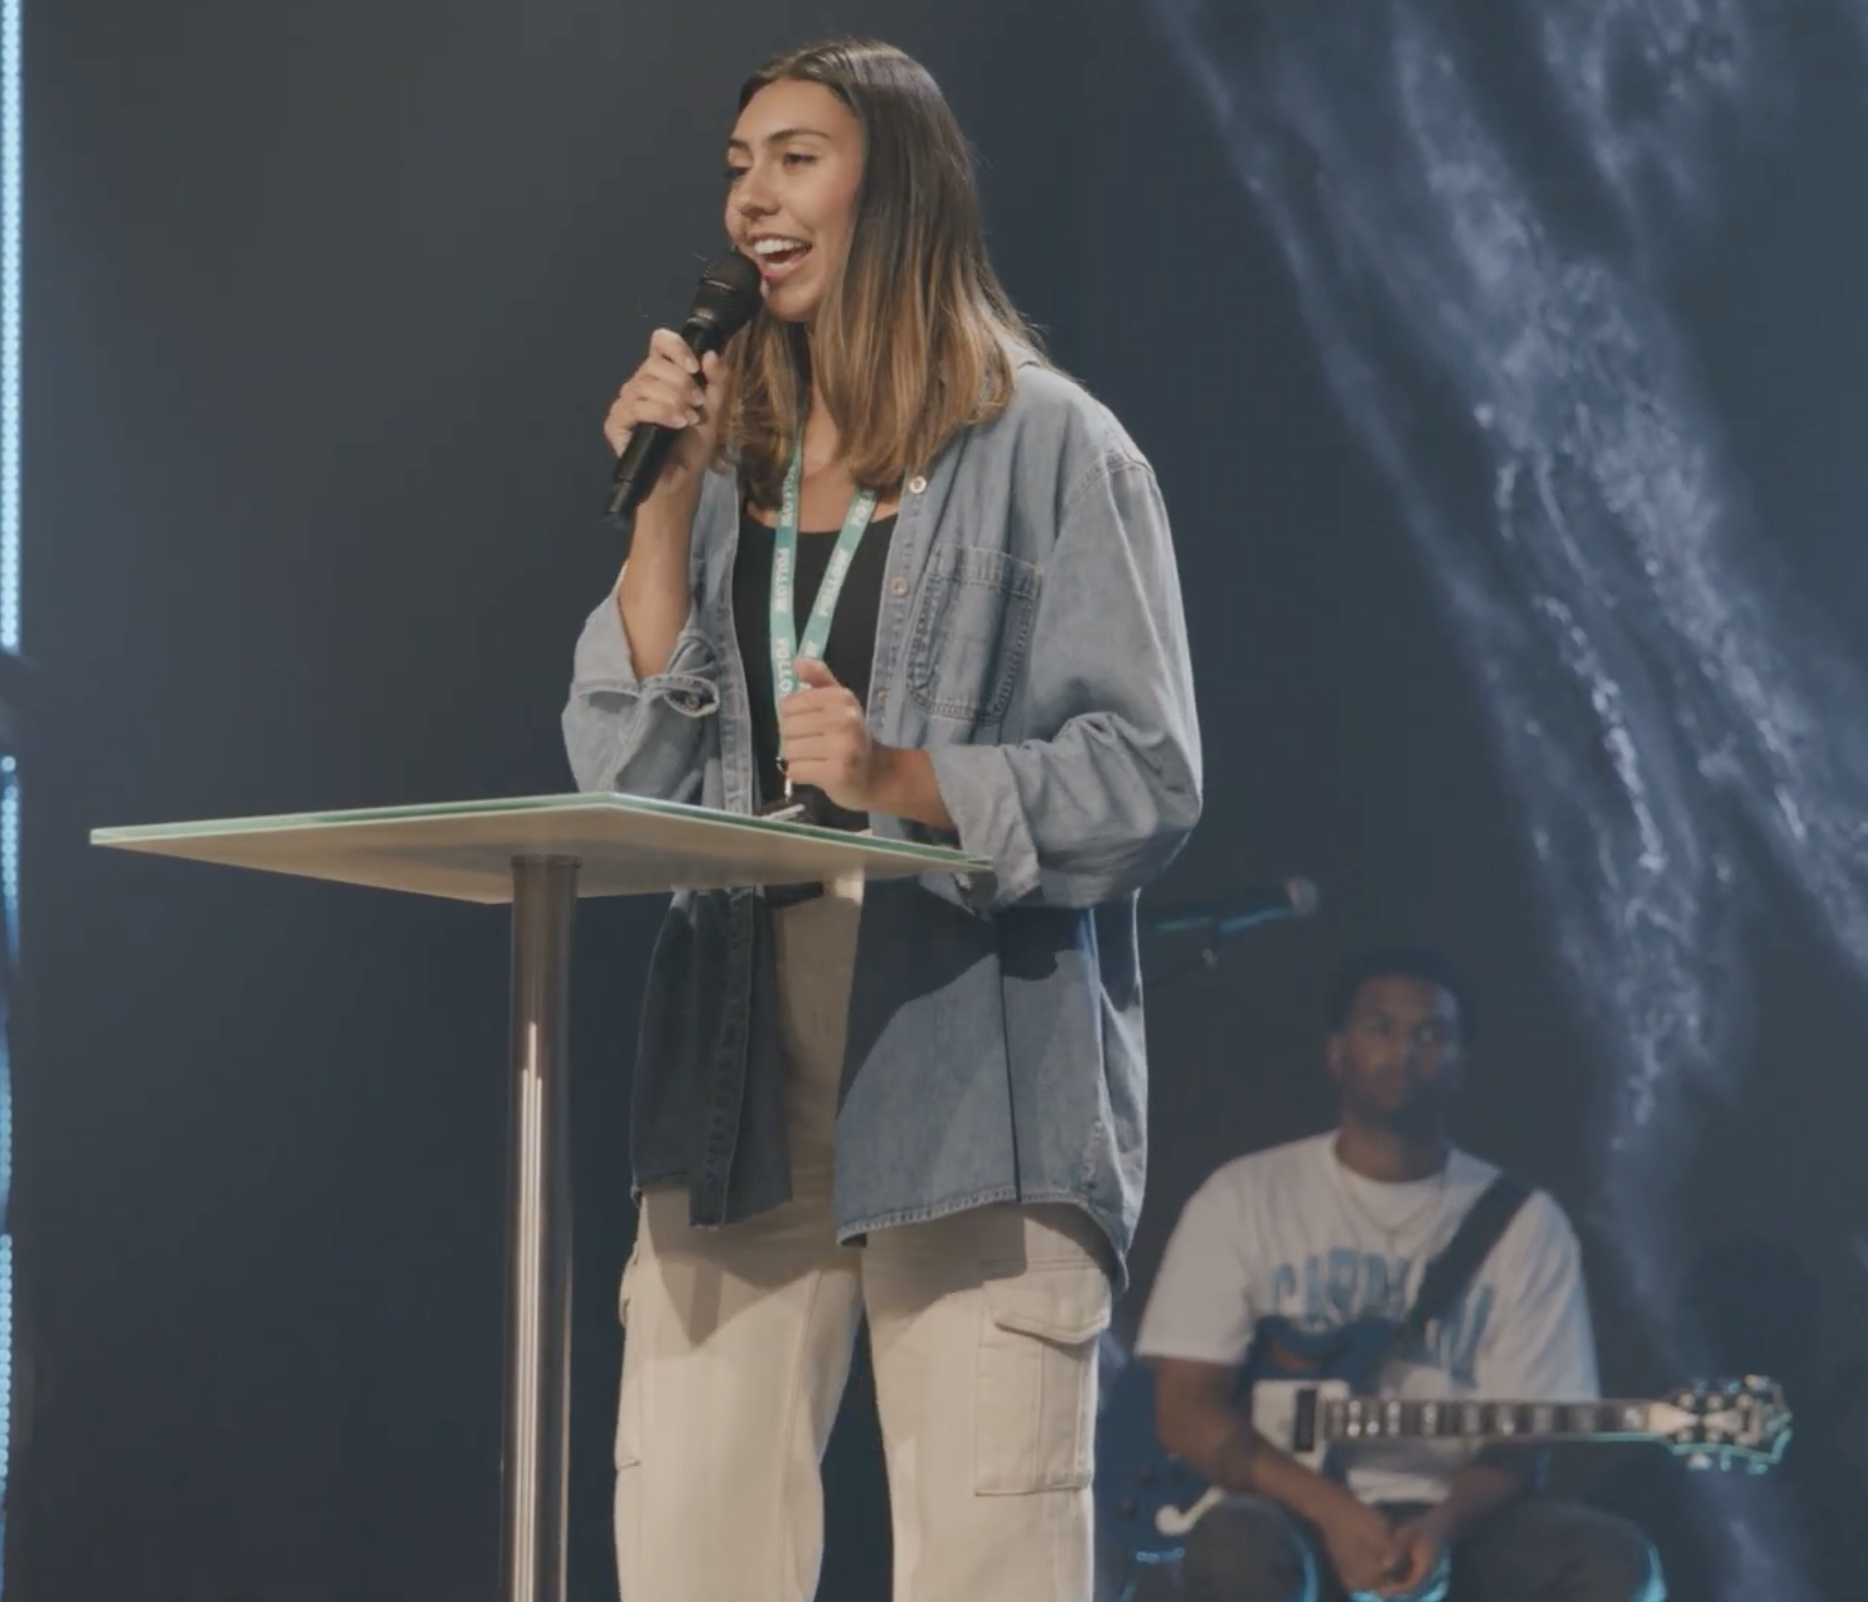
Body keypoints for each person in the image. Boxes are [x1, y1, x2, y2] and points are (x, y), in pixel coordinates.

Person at [562, 36, 1201, 1602]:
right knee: (688, 1558)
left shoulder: (1051, 443)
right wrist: (662, 507)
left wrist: (906, 775)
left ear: (897, 188)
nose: (752, 200)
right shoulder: (732, 466)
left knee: (988, 1561)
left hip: (973, 1081)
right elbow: (620, 781)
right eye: (738, 166)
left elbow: (1146, 777)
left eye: (796, 159)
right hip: (737, 1080)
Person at [1133, 947, 1660, 1602]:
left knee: (1614, 1562)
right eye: (1380, 1027)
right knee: (1233, 1545)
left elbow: (1521, 1450)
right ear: (1336, 1051)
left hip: (1458, 1523)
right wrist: (1331, 1509)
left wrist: (1440, 1528)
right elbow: (1184, 1407)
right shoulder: (1243, 1197)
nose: (1405, 1050)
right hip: (1286, 1509)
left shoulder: (1527, 1224)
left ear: (1463, 1061)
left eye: (1432, 1034)